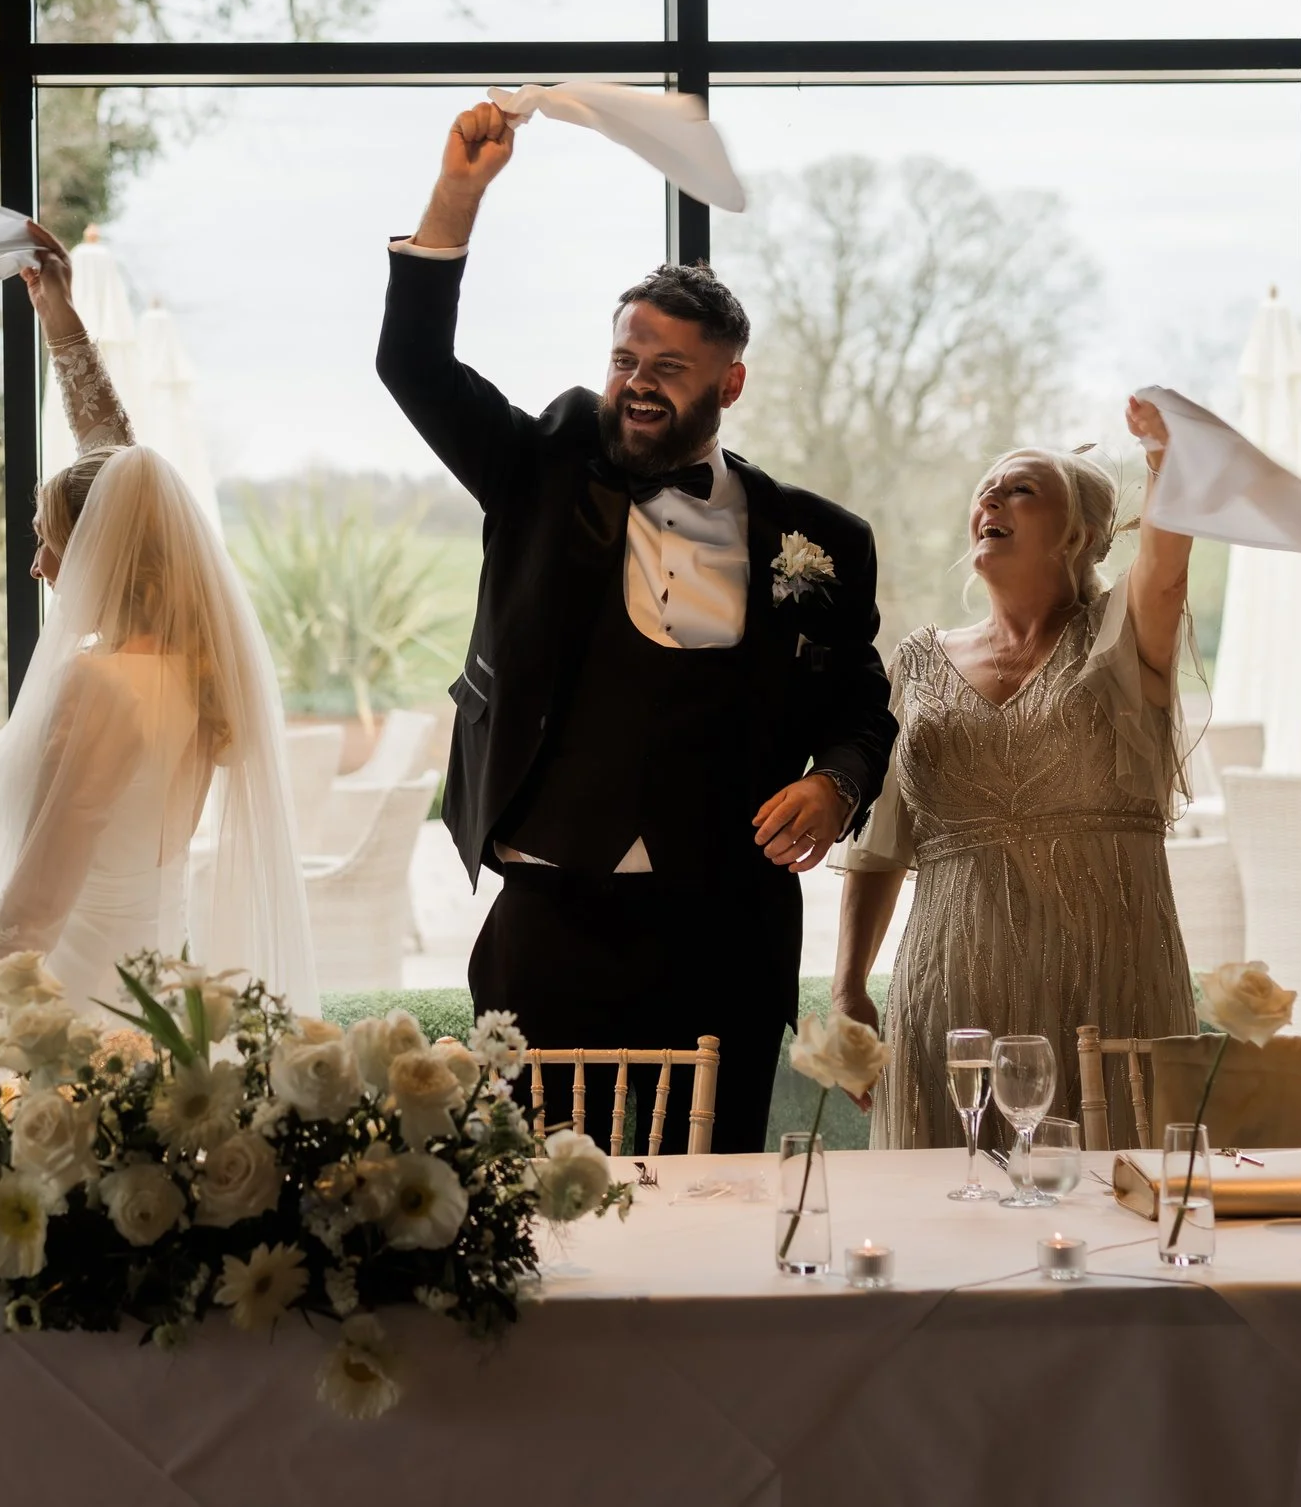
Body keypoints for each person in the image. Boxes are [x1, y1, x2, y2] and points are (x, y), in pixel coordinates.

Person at [376, 100, 898, 1155]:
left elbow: (861, 708)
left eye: (666, 366)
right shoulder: (540, 474)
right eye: (625, 358)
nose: (636, 382)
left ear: (729, 381)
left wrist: (834, 782)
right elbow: (415, 367)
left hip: (723, 930)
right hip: (550, 917)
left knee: (715, 1206)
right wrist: (457, 197)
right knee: (532, 1210)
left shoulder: (818, 537)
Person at [0, 230, 314, 1017]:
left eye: (50, 543)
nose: (38, 566)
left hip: (73, 1007)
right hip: (154, 994)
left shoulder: (101, 683)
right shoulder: (190, 666)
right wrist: (60, 322)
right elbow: (116, 468)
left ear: (106, 555)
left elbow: (40, 892)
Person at [832, 400, 1197, 1148]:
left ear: (1082, 535)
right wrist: (847, 988)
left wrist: (1166, 460)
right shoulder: (920, 660)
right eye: (985, 490)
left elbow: (1163, 574)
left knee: (1109, 1220)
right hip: (951, 984)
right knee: (948, 1222)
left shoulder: (1120, 641)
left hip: (1109, 981)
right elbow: (881, 846)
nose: (990, 499)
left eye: (1021, 488)